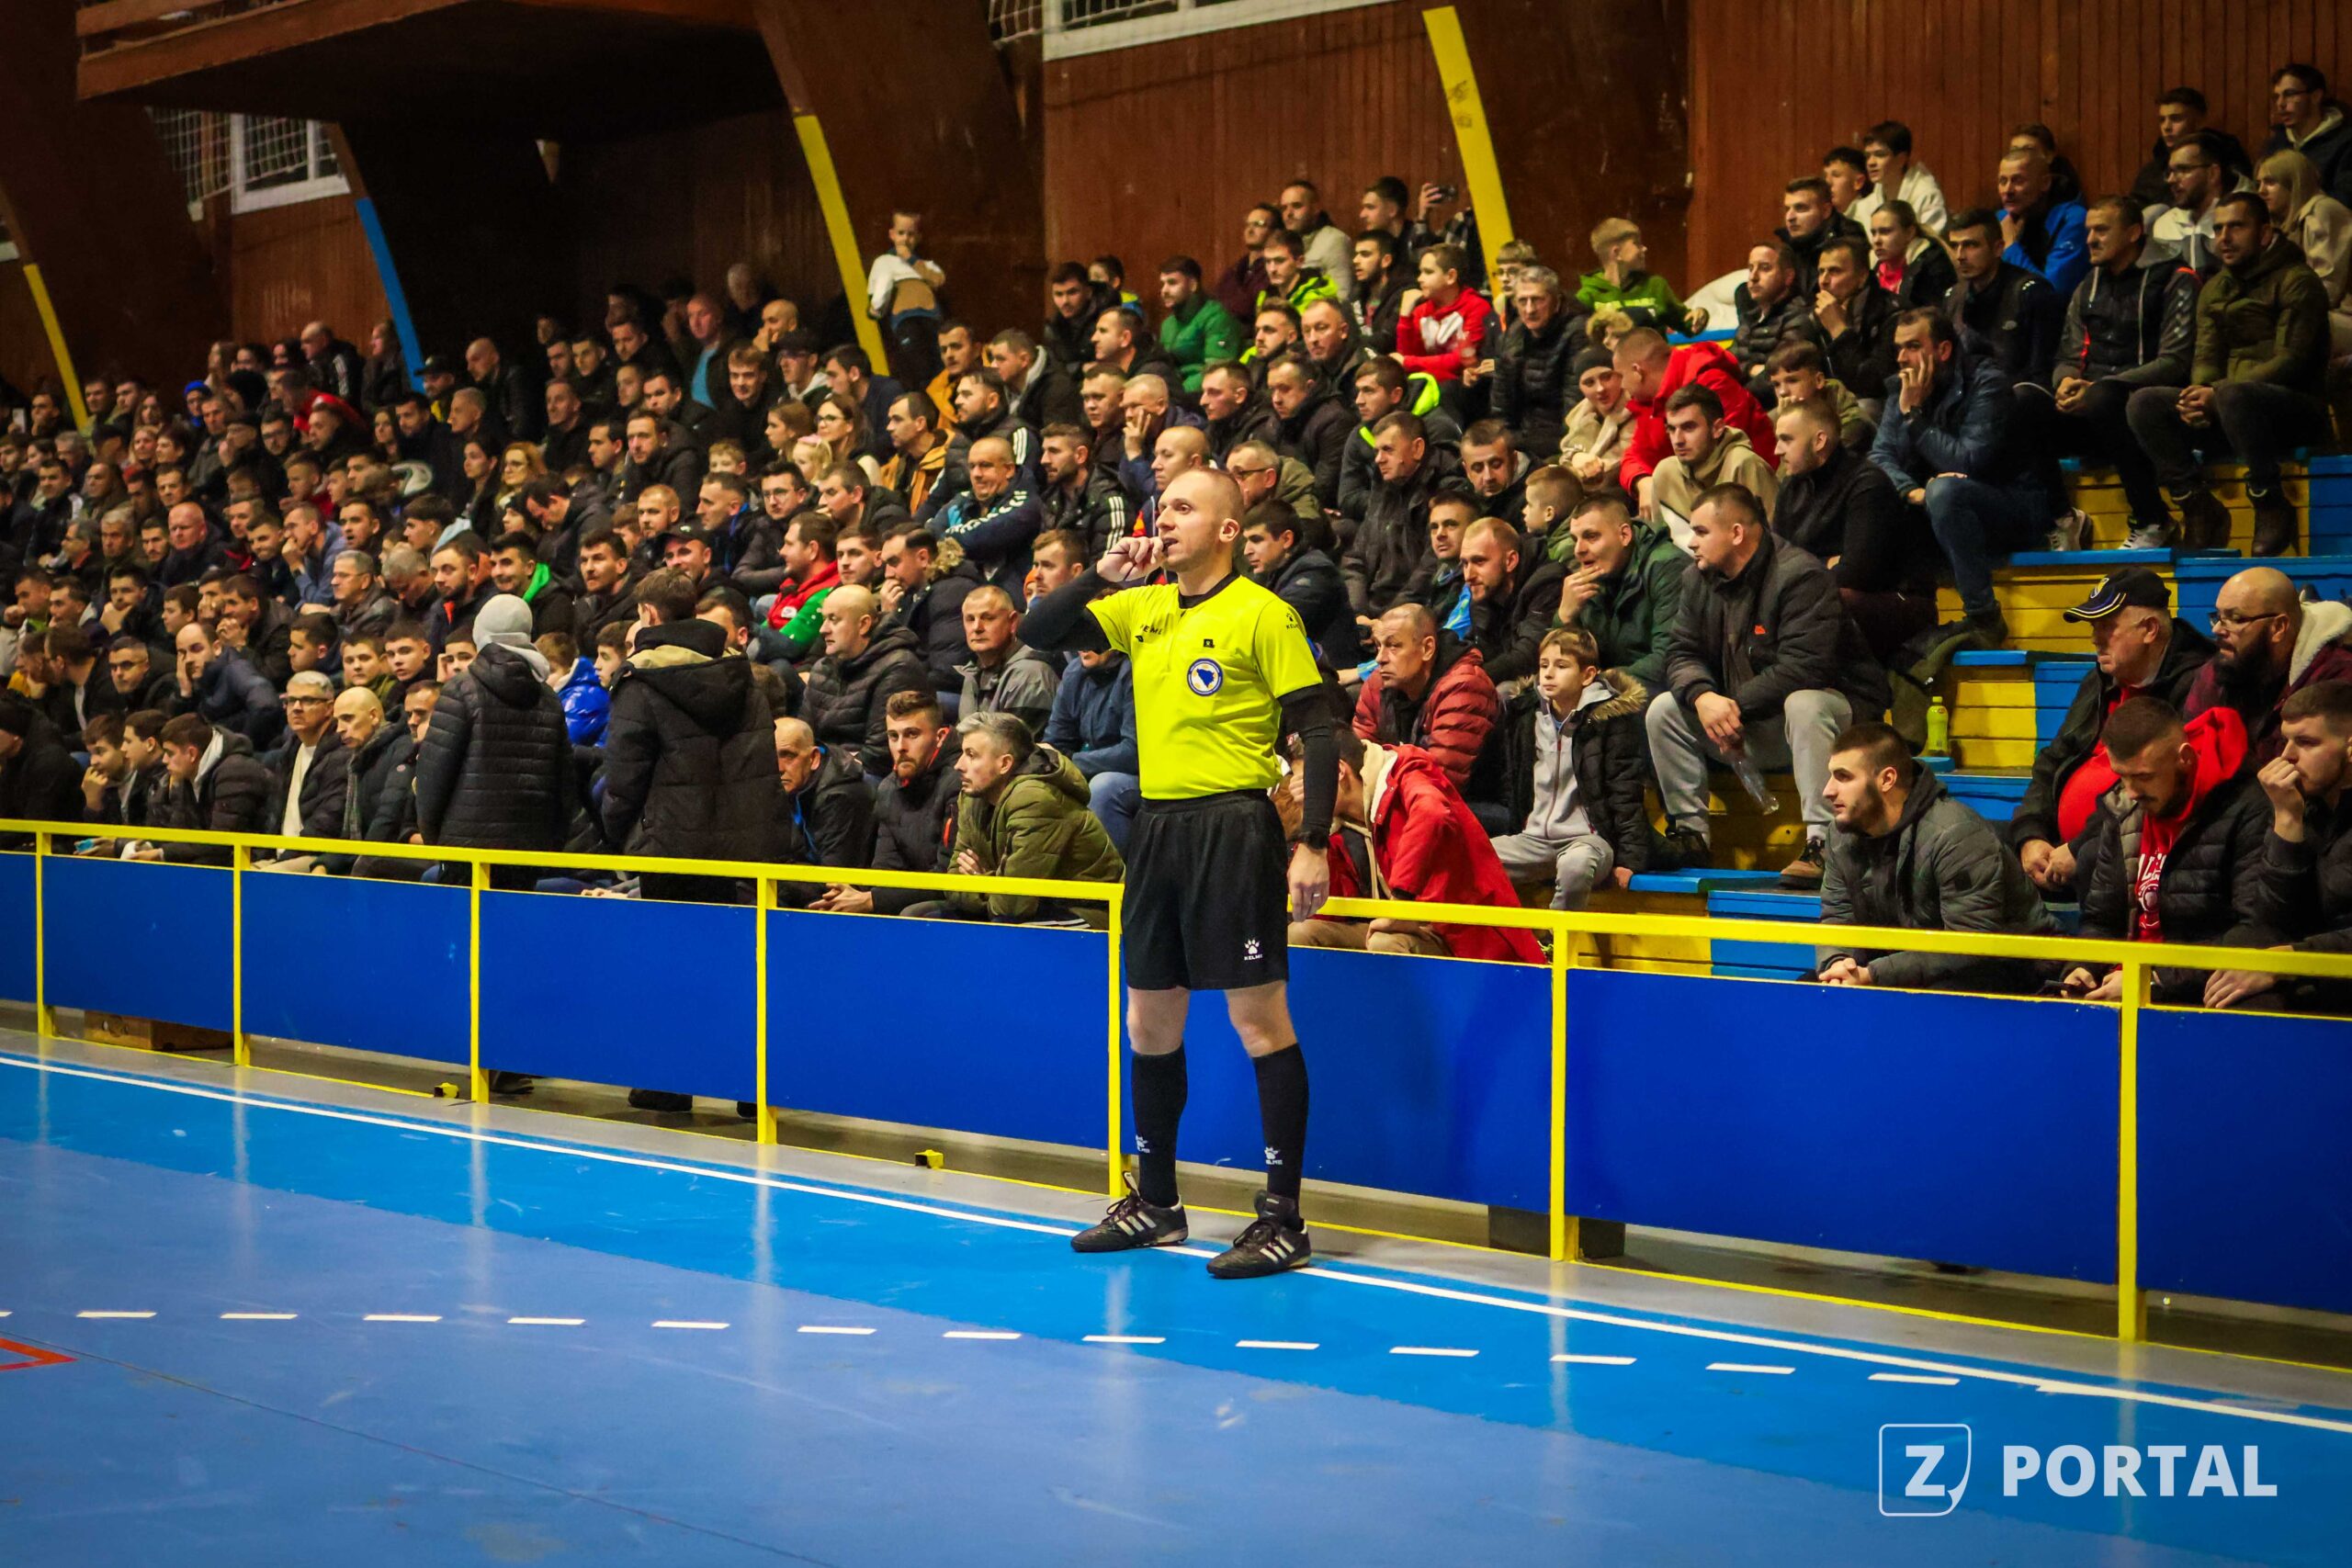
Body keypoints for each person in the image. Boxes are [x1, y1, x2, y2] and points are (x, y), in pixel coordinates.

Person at [1020, 466, 1337, 1279]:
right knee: (1148, 1021)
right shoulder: (1144, 606)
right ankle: (1157, 1201)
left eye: (1184, 509)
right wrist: (1099, 575)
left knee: (1258, 1020)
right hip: (1158, 828)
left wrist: (1314, 840)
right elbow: (1039, 628)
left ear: (1228, 530)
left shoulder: (1264, 613)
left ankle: (1284, 1216)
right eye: (1162, 509)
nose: (1164, 521)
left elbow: (1320, 729)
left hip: (1233, 825)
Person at [1648, 484, 1889, 884]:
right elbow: (1680, 652)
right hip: (1750, 724)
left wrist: (1731, 707)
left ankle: (1825, 841)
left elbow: (1805, 667)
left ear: (1737, 533)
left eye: (1702, 532)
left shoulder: (1800, 575)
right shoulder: (1697, 579)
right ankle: (1690, 835)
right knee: (1664, 709)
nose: (1691, 543)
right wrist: (1704, 697)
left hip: (1835, 727)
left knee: (1805, 702)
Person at [2124, 192, 2332, 557]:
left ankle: (2270, 501)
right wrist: (2199, 394)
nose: (2224, 237)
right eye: (2218, 228)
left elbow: (2292, 360)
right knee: (2144, 403)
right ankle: (2197, 504)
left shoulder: (2298, 280)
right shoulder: (2216, 287)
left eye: (2236, 227)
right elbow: (2206, 355)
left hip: (2293, 410)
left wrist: (2217, 392)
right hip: (2229, 408)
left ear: (2264, 233)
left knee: (2235, 395)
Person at [2012, 569, 2215, 897]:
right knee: (1975, 846)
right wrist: (2030, 834)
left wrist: (2081, 848)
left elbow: (2160, 792)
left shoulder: (2200, 686)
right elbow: (2053, 759)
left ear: (2149, 630)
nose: (2095, 639)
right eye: (2094, 627)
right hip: (2061, 852)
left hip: (2131, 857)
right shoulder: (2100, 680)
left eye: (2106, 626)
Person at [1815, 721, 2057, 994]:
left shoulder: (1956, 834)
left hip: (2007, 968)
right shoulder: (1840, 835)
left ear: (1887, 780)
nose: (1828, 790)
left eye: (1843, 777)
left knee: (1930, 1002)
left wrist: (1874, 974)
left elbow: (1969, 944)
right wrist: (1838, 964)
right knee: (1813, 991)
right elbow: (1837, 916)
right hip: (1905, 968)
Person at [2063, 698, 2272, 1005]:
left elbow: (2252, 931)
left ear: (2184, 758)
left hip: (2197, 990)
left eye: (2144, 776)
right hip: (2122, 981)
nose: (2131, 791)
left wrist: (2153, 978)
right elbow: (2101, 920)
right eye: (2122, 775)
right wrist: (2083, 967)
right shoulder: (2124, 810)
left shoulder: (2246, 808)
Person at [1871, 309, 2060, 648]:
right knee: (1877, 491)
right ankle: (1906, 615)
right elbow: (1880, 457)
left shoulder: (1987, 382)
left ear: (1943, 350)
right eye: (1898, 348)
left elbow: (1968, 462)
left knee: (1944, 492)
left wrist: (1914, 418)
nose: (1901, 358)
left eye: (1913, 346)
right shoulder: (1902, 388)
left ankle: (1984, 616)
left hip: (2011, 506)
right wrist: (1912, 491)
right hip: (1943, 509)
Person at [2025, 197, 2199, 549]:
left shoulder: (2175, 277)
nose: (2090, 239)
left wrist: (2100, 387)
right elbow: (2068, 354)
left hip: (2148, 412)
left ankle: (2153, 520)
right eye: (2089, 230)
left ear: (2134, 233)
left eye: (2102, 230)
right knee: (2024, 399)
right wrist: (2066, 382)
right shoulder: (2088, 283)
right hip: (2094, 407)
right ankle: (2064, 519)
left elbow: (2175, 361)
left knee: (2105, 398)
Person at [1287, 728, 1544, 962]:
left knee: (1385, 943)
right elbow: (1325, 912)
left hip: (1463, 937)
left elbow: (1432, 813)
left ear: (1339, 771)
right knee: (1300, 934)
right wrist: (1314, 825)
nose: (1298, 791)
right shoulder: (1341, 821)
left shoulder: (1408, 771)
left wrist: (1401, 903)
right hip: (1399, 927)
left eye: (1303, 781)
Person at [410, 592, 575, 891]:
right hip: (527, 850)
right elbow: (563, 782)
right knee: (512, 921)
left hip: (465, 849)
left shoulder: (461, 690)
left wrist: (436, 839)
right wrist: (550, 843)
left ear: (480, 633)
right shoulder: (549, 698)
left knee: (465, 922)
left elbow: (433, 774)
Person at [1490, 626, 1649, 908]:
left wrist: (1630, 859)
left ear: (1588, 675)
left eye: (1561, 666)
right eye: (1544, 665)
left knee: (1575, 866)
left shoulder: (1611, 721)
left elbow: (1626, 792)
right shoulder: (1526, 715)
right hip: (1534, 840)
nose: (1548, 674)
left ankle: (1556, 933)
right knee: (1469, 855)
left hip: (1589, 842)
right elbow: (1514, 781)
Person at [2218, 681, 2352, 1010]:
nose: (2287, 756)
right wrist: (2287, 820)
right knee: (2234, 982)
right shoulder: (2303, 808)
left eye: (2306, 742)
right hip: (2321, 978)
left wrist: (2289, 958)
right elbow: (2272, 924)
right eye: (2285, 740)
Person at [1771, 398, 1931, 663]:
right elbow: (1777, 564)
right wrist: (1827, 563)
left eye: (1786, 440)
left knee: (1828, 602)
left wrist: (1805, 567)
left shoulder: (1867, 483)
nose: (1777, 450)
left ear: (1819, 441)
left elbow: (1856, 574)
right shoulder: (1791, 487)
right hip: (1827, 595)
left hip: (1899, 602)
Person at [929, 711, 1123, 926]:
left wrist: (982, 883)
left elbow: (1013, 904)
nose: (959, 765)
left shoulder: (1035, 799)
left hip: (1086, 911)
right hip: (1028, 909)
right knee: (922, 915)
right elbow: (953, 881)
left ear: (1004, 764)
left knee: (1005, 930)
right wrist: (993, 886)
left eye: (971, 755)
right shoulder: (972, 797)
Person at [809, 690, 957, 916]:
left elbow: (949, 877)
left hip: (956, 899)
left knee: (912, 913)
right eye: (893, 736)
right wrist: (858, 897)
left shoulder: (959, 782)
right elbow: (886, 869)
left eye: (912, 734)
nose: (900, 747)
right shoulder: (888, 788)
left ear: (939, 737)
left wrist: (873, 900)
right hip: (916, 894)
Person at [2186, 566, 2352, 765]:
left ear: (2278, 627)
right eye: (2219, 617)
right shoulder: (2219, 670)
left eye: (2236, 619)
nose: (2217, 629)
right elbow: (2191, 757)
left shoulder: (2336, 678)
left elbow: (2321, 773)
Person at [1352, 602, 1503, 809]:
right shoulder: (1377, 684)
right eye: (1379, 646)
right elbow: (1357, 759)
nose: (1380, 658)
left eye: (1393, 646)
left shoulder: (1464, 687)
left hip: (1472, 808)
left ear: (1427, 648)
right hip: (1406, 797)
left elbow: (1440, 782)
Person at [1611, 328, 1775, 513]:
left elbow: (1719, 458)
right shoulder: (1651, 402)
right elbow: (1635, 456)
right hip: (1701, 498)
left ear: (1637, 371)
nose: (1622, 386)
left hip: (1747, 499)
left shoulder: (1712, 382)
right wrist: (1642, 482)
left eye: (1621, 376)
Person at [1551, 491, 1685, 686]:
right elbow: (1562, 664)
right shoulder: (1590, 577)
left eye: (1591, 536)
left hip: (1659, 689)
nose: (1579, 550)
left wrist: (1598, 684)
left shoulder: (1666, 567)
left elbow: (1669, 658)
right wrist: (1564, 618)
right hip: (1609, 686)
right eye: (1575, 540)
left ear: (1624, 535)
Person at [801, 583, 931, 777]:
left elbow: (879, 755)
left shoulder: (898, 667)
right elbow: (803, 738)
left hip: (867, 776)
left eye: (833, 619)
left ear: (863, 624)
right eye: (824, 619)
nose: (823, 629)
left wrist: (821, 767)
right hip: (827, 768)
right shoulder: (822, 668)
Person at [1646, 385, 1780, 546]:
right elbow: (1659, 546)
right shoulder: (1665, 473)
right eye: (1671, 429)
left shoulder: (1744, 465)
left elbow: (1774, 541)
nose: (1678, 440)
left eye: (1689, 428)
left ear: (1717, 428)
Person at [1943, 208, 2064, 385]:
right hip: (1967, 393)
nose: (1960, 256)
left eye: (1971, 245)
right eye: (1955, 246)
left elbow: (2042, 372)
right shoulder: (1953, 296)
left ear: (1998, 248)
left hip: (2016, 394)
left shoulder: (2030, 292)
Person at [1043, 636, 1140, 853]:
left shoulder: (1135, 670)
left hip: (1140, 777)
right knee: (1034, 783)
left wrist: (1070, 760)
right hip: (1090, 767)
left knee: (1104, 787)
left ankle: (1113, 873)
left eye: (1092, 635)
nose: (1083, 645)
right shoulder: (1074, 672)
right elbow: (1056, 741)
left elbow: (1134, 753)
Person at [1238, 497, 1358, 668]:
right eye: (1246, 541)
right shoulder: (1272, 570)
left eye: (1256, 540)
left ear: (1287, 539)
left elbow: (1272, 628)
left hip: (1330, 677)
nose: (1247, 551)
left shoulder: (1317, 572)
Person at [142, 713, 273, 864]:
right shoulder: (187, 774)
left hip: (254, 861)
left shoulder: (236, 771)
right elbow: (180, 832)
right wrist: (148, 846)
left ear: (192, 754)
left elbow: (221, 841)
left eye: (170, 753)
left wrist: (162, 853)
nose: (164, 760)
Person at [2258, 149, 2352, 358]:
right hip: (2316, 314)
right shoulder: (2284, 223)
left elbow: (2328, 289)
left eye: (2270, 182)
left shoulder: (2321, 210)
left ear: (2294, 183)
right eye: (2259, 183)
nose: (2261, 191)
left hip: (2342, 316)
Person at [1460, 518, 1565, 686]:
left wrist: (1471, 678)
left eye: (1479, 561)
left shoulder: (1547, 582)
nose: (1468, 576)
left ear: (1510, 561)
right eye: (1465, 563)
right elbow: (1481, 651)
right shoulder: (1484, 594)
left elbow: (1530, 654)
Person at [1491, 265, 1581, 457]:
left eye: (1538, 300)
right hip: (1522, 439)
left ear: (1556, 301)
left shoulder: (1577, 333)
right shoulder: (1511, 337)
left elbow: (1575, 409)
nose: (1530, 309)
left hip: (1562, 440)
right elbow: (1501, 408)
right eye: (1522, 301)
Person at [2131, 87, 2254, 211]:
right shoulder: (2153, 169)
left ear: (2199, 121)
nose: (2166, 127)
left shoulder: (2227, 159)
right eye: (2162, 120)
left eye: (2176, 119)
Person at [1397, 244, 1495, 391]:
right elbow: (1406, 356)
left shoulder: (1476, 307)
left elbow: (1460, 360)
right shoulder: (1421, 311)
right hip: (1427, 384)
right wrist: (1404, 316)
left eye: (1428, 272)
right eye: (1420, 272)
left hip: (1465, 388)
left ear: (1451, 276)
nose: (1419, 279)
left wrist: (1407, 362)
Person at [2144, 130, 2245, 273]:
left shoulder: (2241, 220)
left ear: (2213, 173)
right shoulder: (2165, 225)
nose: (2171, 180)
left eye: (2183, 170)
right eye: (2170, 172)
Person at [268, 670, 349, 844]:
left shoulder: (342, 754)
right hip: (283, 851)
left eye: (307, 700)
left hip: (314, 853)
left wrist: (288, 855)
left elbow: (327, 823)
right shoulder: (289, 751)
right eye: (291, 701)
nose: (297, 708)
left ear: (329, 708)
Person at [1576, 219, 1696, 333]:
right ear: (1617, 253)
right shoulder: (1587, 296)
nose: (1644, 248)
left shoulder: (1655, 286)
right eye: (1637, 244)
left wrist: (1699, 316)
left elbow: (1689, 325)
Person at [1997, 146, 2089, 294]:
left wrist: (2010, 248)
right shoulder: (2001, 219)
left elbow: (2050, 293)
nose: (2008, 190)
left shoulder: (2072, 220)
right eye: (2003, 181)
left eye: (2018, 181)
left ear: (2045, 183)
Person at [1729, 243, 1812, 402]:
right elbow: (1728, 363)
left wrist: (1737, 398)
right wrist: (1751, 369)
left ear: (1788, 277)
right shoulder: (1750, 318)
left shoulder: (1799, 317)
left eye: (1765, 268)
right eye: (1751, 268)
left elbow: (1780, 376)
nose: (1753, 277)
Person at [2265, 63, 2352, 206]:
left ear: (2315, 96)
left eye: (2289, 94)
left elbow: (2345, 198)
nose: (2280, 103)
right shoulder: (2277, 142)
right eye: (2276, 97)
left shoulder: (2344, 142)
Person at [1154, 257, 1242, 395]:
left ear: (1193, 285)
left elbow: (1217, 369)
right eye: (1163, 284)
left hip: (1204, 393)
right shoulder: (1168, 324)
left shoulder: (1217, 317)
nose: (1164, 291)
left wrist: (1177, 393)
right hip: (1173, 391)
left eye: (1172, 283)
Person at [1852, 120, 1950, 235]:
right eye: (1867, 156)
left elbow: (1931, 242)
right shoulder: (1866, 204)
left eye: (1880, 155)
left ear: (1901, 159)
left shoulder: (1926, 195)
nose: (1871, 163)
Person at [0, 694, 79, 829]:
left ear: (14, 734)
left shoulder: (49, 761)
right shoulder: (11, 760)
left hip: (60, 838)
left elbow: (36, 824)